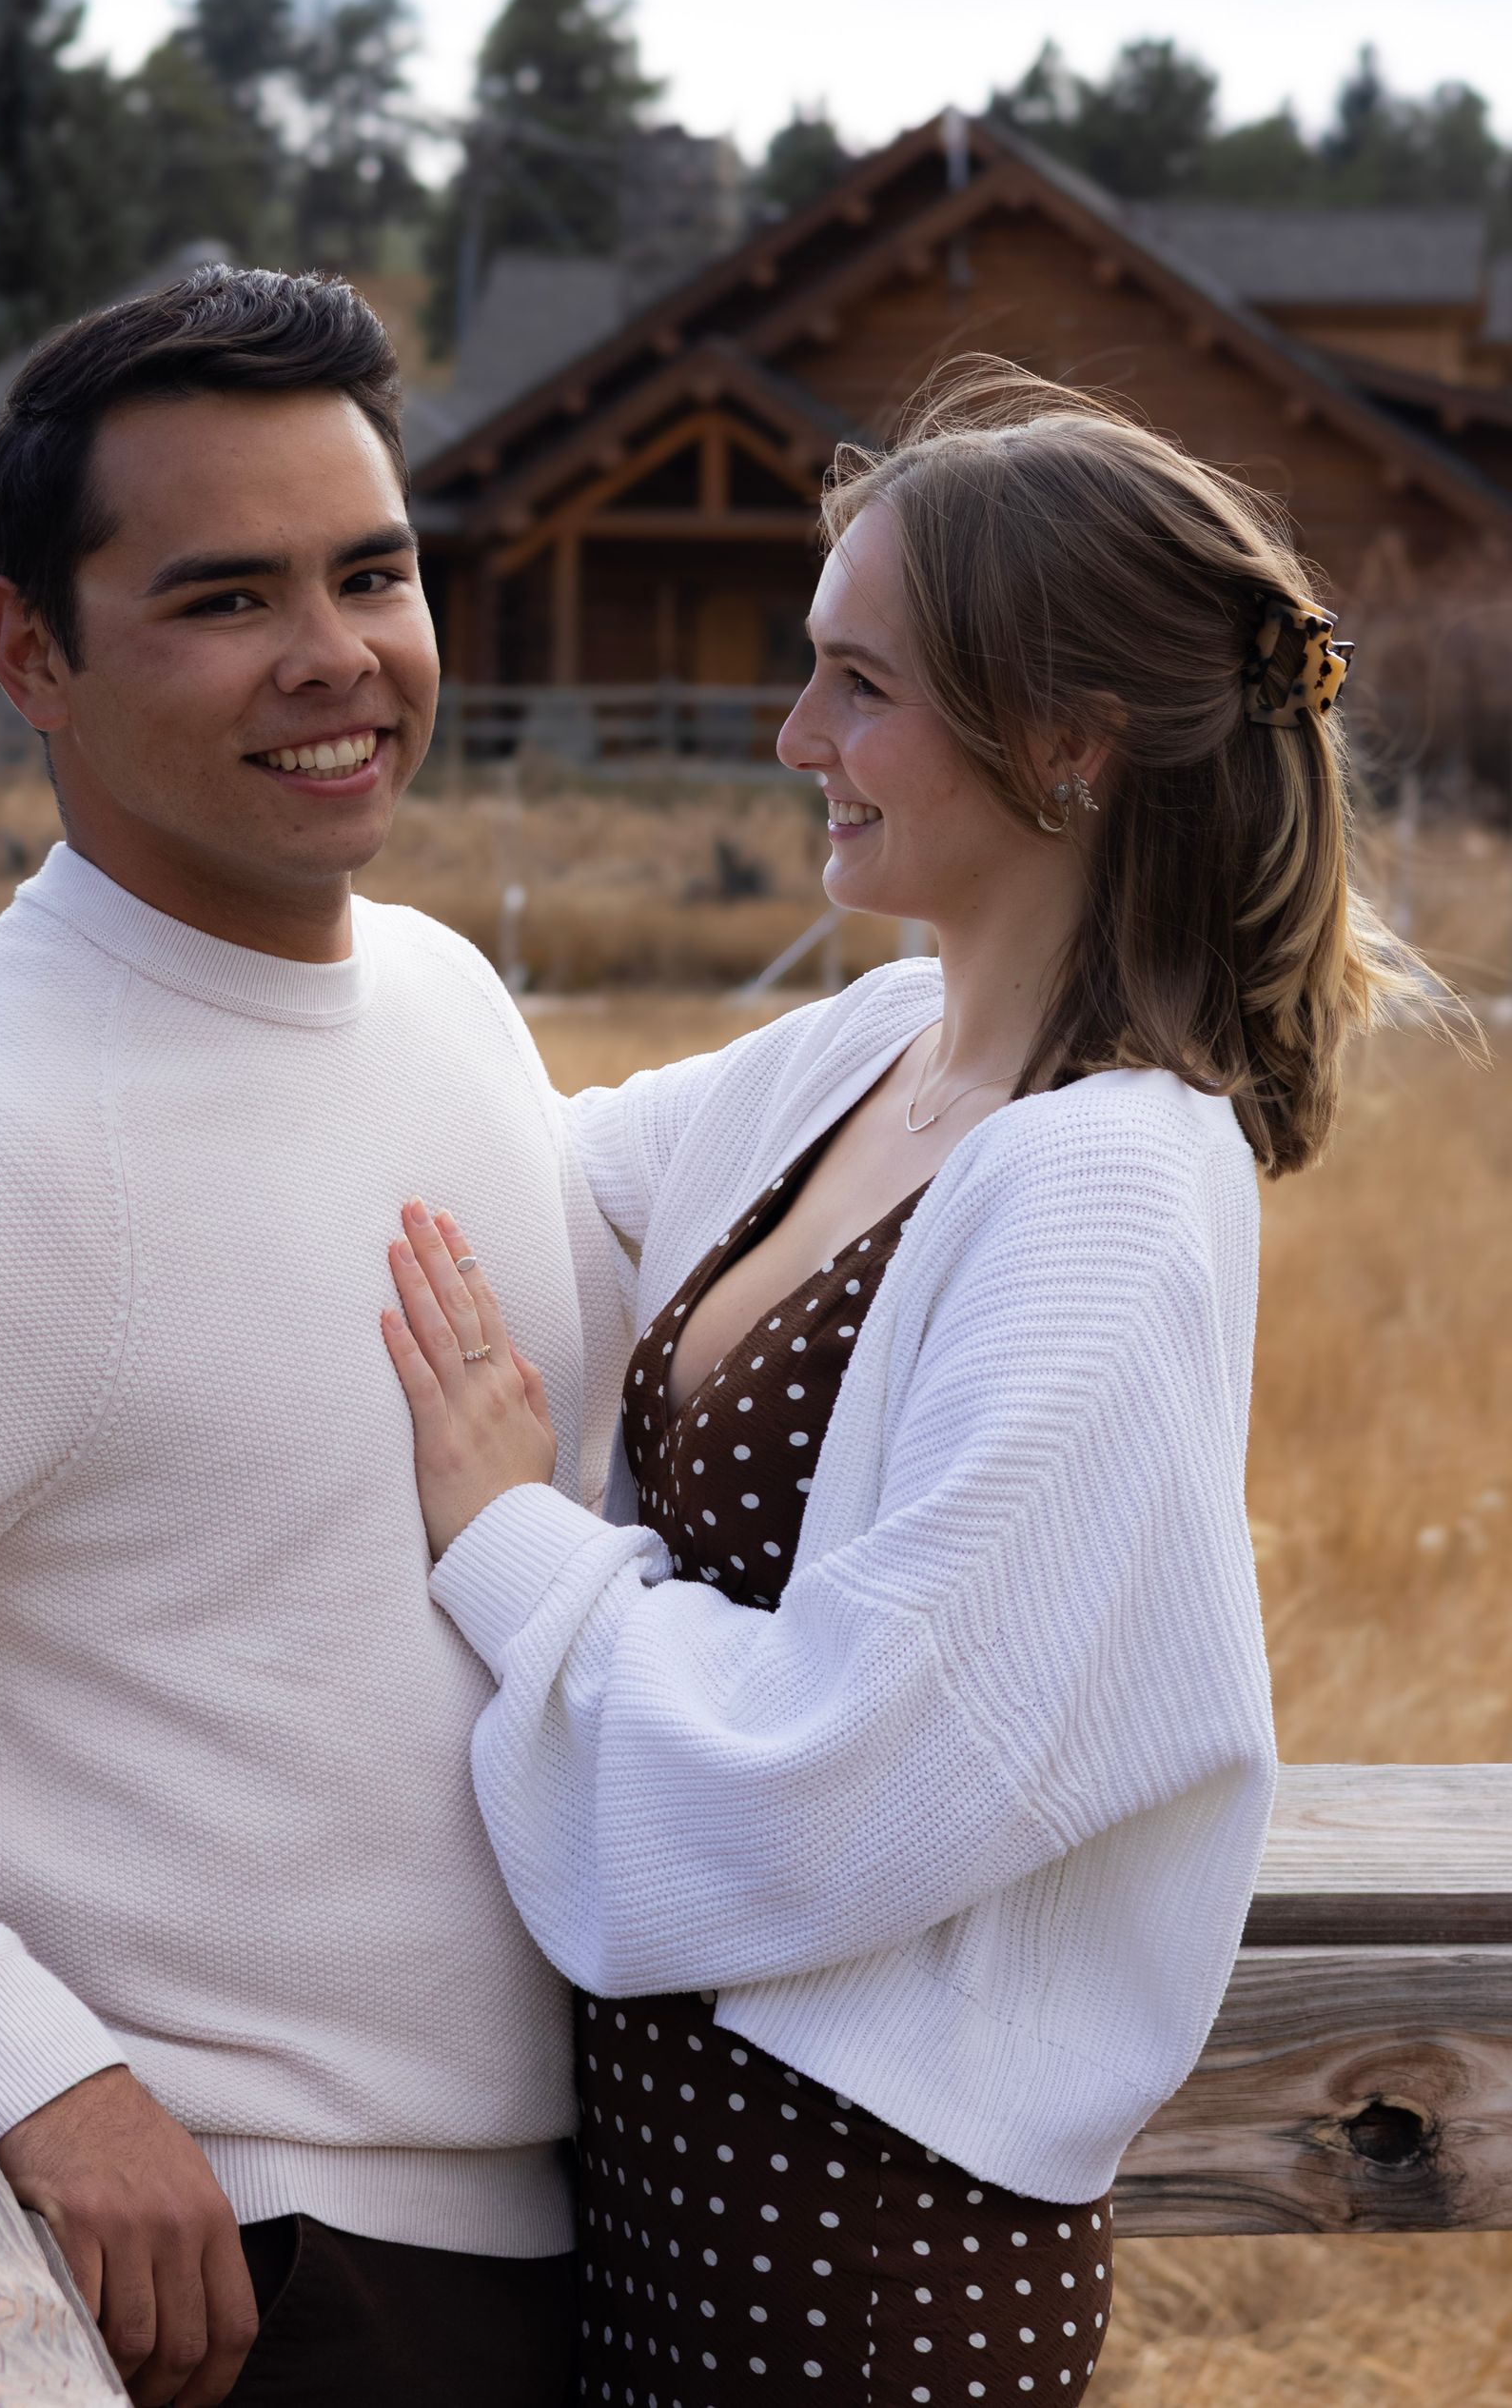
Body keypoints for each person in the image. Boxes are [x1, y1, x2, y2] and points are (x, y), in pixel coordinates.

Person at [381, 364, 1432, 2406]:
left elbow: (865, 1760)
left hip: (869, 2245)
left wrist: (512, 1542)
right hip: (668, 2170)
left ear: (1067, 742)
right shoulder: (858, 1052)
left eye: (858, 686)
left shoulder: (1114, 1178)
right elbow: (512, 1201)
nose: (797, 743)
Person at [0, 266, 631, 2408]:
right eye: (225, 599)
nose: (340, 660)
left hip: (569, 2218)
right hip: (264, 2279)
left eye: (373, 569)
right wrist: (43, 2073)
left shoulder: (447, 993)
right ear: (33, 650)